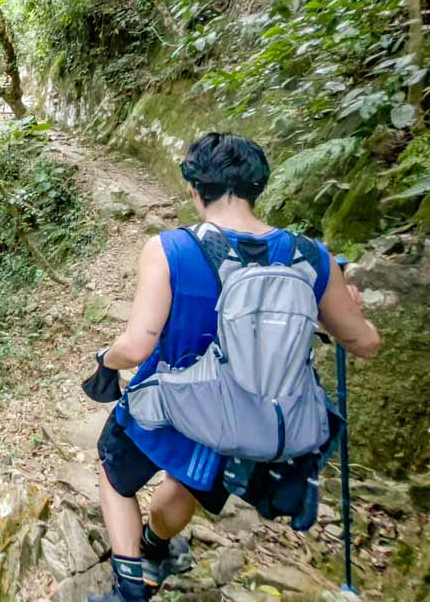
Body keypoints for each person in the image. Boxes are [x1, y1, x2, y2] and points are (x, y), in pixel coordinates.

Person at [88, 132, 380, 602]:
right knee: (186, 477)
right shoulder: (309, 257)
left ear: (194, 188)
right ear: (257, 186)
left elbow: (137, 346)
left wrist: (105, 359)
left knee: (112, 469)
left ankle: (129, 589)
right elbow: (364, 344)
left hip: (174, 400)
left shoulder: (170, 250)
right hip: (252, 414)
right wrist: (355, 307)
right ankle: (156, 548)